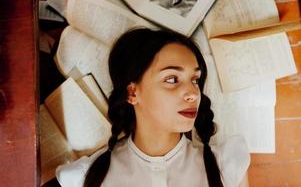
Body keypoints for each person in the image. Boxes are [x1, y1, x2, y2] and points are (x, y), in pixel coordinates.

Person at [56, 28, 250, 187]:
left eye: (195, 80)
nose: (193, 93)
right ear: (132, 93)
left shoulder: (226, 166)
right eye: (172, 79)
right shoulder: (83, 178)